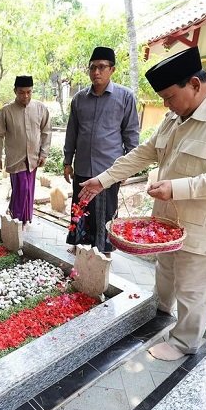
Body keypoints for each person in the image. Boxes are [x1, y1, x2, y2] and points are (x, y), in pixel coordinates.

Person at [78, 46, 206, 361]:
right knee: (166, 275)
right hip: (169, 225)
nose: (167, 104)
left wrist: (176, 188)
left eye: (169, 97)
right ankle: (160, 314)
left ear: (194, 84)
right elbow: (143, 153)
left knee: (194, 290)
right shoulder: (175, 117)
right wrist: (103, 179)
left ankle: (184, 343)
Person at [63, 46, 139, 254]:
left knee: (105, 210)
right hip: (83, 166)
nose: (96, 72)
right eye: (92, 67)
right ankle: (79, 243)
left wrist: (127, 169)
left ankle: (104, 249)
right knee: (80, 207)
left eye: (102, 67)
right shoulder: (79, 99)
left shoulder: (125, 97)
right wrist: (67, 161)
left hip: (109, 169)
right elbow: (72, 133)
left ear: (112, 70)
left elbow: (131, 135)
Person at [0, 75, 51, 227]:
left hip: (33, 157)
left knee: (28, 189)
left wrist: (44, 153)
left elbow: (46, 132)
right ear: (15, 91)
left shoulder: (40, 108)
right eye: (21, 92)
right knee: (20, 188)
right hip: (15, 157)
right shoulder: (6, 111)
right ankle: (17, 218)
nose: (25, 96)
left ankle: (23, 219)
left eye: (29, 92)